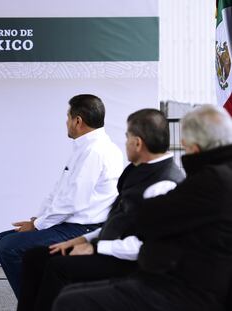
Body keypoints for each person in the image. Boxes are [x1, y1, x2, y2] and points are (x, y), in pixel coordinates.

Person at [52, 105, 232, 311]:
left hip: (188, 287)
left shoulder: (211, 179)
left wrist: (96, 244)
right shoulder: (218, 176)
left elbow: (146, 220)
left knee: (70, 301)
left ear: (194, 147)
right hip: (185, 276)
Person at [17, 108, 185, 311]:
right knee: (34, 257)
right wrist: (83, 240)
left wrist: (95, 247)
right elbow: (119, 219)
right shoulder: (136, 169)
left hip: (128, 260)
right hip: (107, 246)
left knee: (56, 268)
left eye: (127, 137)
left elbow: (147, 247)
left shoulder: (164, 184)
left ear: (138, 143)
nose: (125, 143)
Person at [0, 94, 124, 298]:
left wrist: (38, 226)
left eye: (68, 117)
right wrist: (39, 219)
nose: (66, 123)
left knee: (9, 246)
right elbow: (59, 193)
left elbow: (72, 203)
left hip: (83, 228)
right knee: (2, 240)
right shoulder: (88, 147)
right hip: (71, 223)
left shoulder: (94, 152)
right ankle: (37, 299)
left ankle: (35, 303)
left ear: (78, 120)